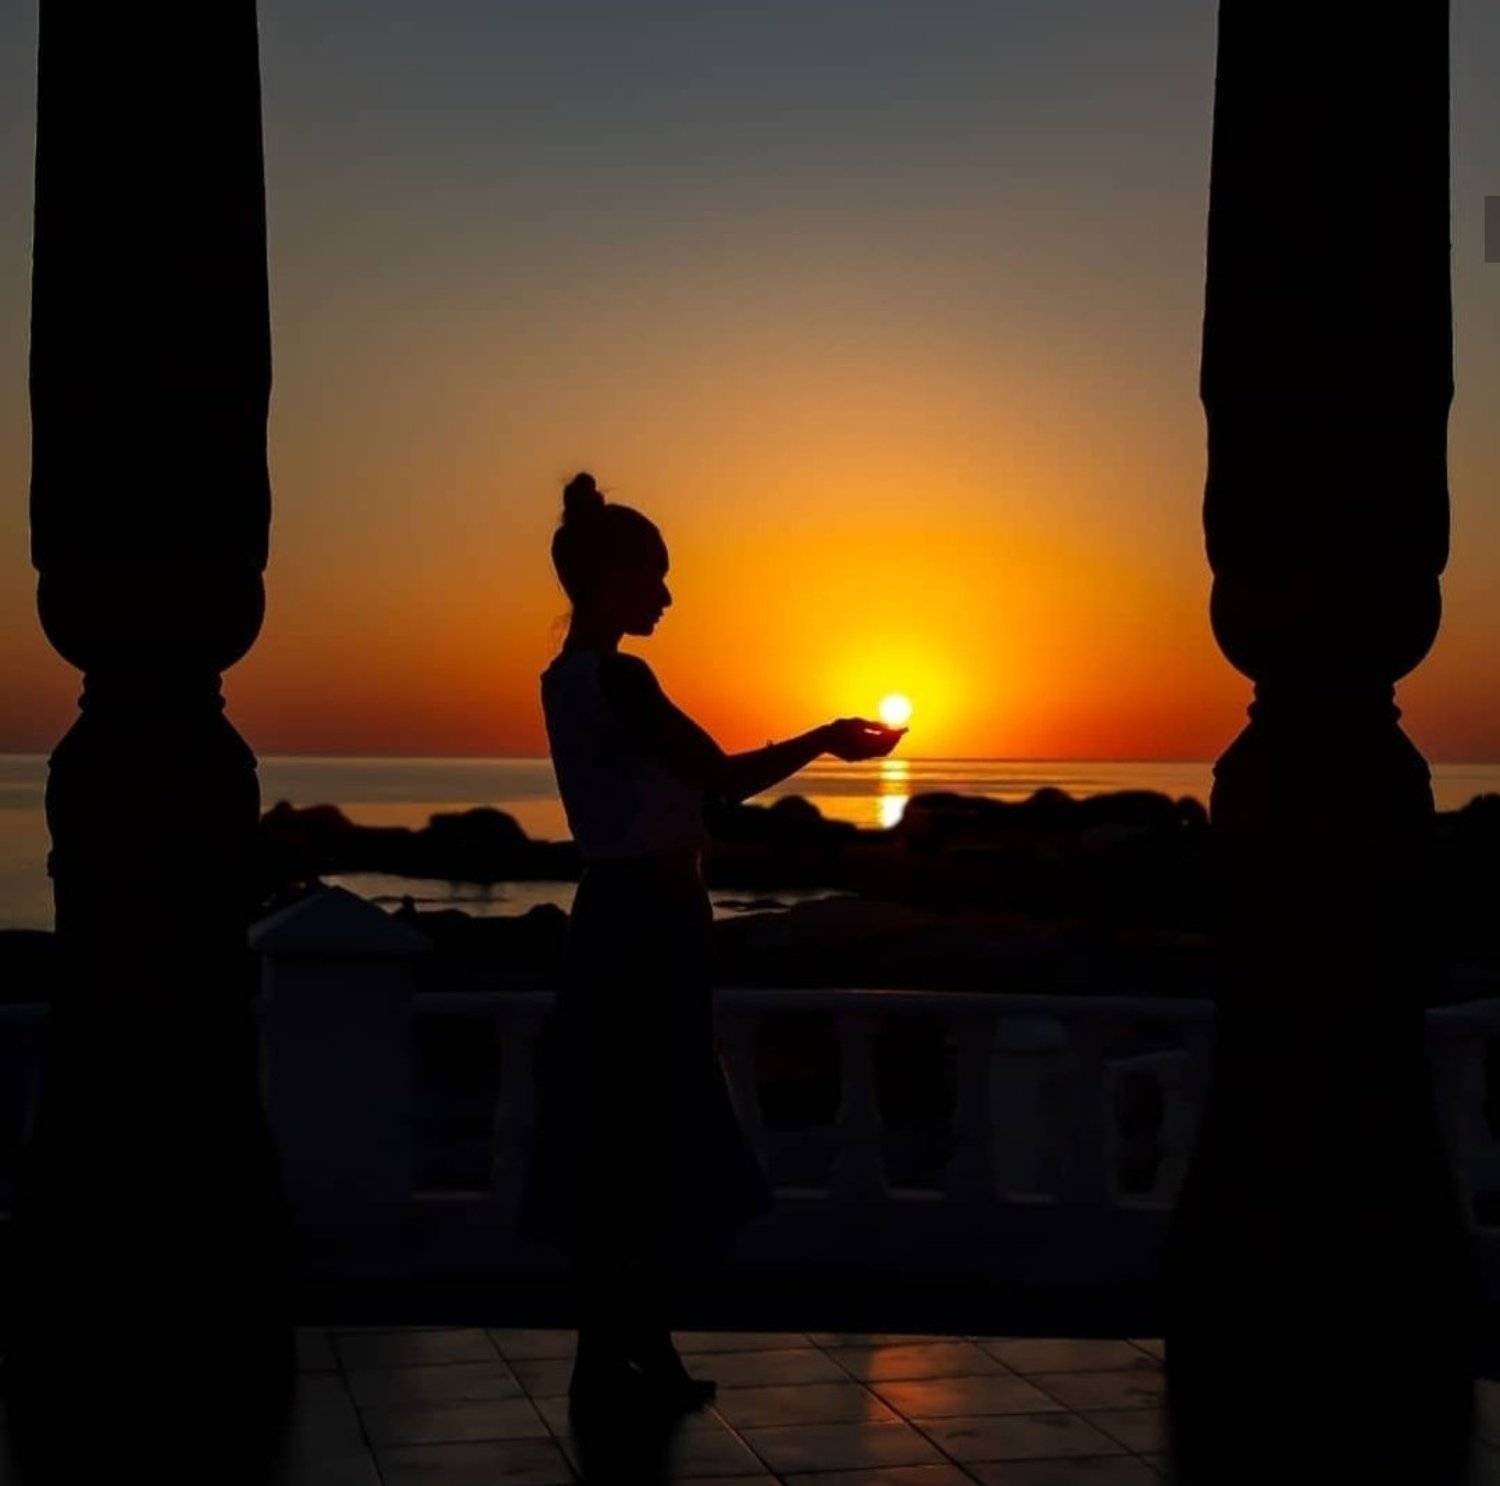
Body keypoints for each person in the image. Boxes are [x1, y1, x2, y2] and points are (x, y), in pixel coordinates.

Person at [518, 470, 906, 1419]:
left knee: (613, 1134)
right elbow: (720, 779)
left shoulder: (561, 679)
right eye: (654, 577)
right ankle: (631, 1351)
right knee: (657, 1129)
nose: (666, 596)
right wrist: (825, 737)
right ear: (611, 580)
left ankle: (617, 1354)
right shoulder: (620, 677)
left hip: (609, 916)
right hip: (650, 922)